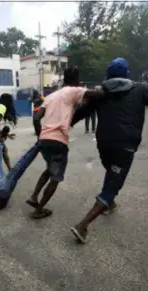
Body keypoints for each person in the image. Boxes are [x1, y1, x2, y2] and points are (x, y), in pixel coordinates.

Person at [69, 57, 148, 243]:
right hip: (125, 146)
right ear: (127, 74)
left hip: (103, 145)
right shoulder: (139, 89)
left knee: (112, 169)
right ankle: (82, 225)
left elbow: (79, 113)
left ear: (107, 74)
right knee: (113, 183)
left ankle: (109, 204)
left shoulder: (101, 93)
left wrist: (62, 125)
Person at [26, 67, 105, 219]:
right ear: (77, 79)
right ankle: (39, 210)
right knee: (55, 177)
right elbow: (98, 94)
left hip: (44, 140)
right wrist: (106, 89)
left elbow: (36, 118)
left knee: (49, 169)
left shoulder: (51, 96)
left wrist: (39, 136)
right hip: (58, 141)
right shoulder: (73, 90)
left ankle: (34, 197)